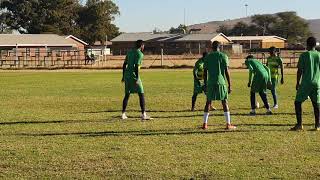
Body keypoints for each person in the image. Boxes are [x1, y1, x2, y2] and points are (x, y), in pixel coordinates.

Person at [202, 41, 236, 130]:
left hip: (210, 82)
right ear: (220, 47)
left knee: (208, 102)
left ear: (211, 47)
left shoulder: (208, 57)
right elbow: (226, 71)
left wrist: (205, 84)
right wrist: (230, 85)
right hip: (221, 82)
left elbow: (205, 72)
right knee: (224, 102)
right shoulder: (224, 56)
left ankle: (205, 124)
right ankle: (228, 124)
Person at [291, 37, 320, 131]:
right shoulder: (319, 55)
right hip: (317, 83)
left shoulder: (304, 55)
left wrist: (297, 82)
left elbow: (300, 70)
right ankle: (317, 126)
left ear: (307, 44)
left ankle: (299, 125)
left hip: (306, 83)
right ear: (315, 45)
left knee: (297, 102)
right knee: (316, 104)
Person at [121, 40, 152, 120]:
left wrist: (123, 76)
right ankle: (143, 114)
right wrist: (137, 78)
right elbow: (136, 67)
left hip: (127, 75)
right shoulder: (140, 54)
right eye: (143, 45)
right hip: (134, 76)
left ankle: (123, 114)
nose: (144, 47)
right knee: (141, 94)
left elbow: (124, 65)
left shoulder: (129, 52)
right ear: (141, 45)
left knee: (127, 94)